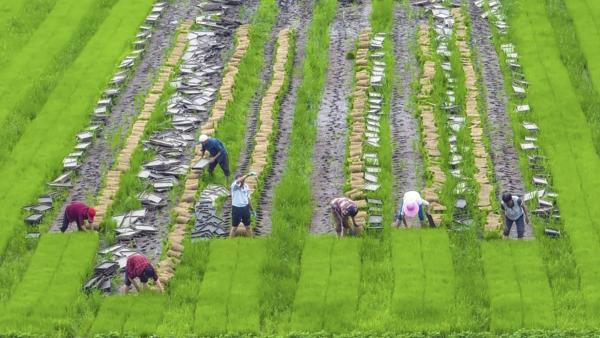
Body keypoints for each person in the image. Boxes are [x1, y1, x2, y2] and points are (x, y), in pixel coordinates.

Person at [230, 172, 256, 238]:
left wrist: (252, 210)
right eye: (240, 180)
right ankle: (229, 241)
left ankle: (251, 241)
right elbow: (238, 180)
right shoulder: (234, 186)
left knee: (248, 227)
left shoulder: (246, 186)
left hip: (245, 208)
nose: (241, 181)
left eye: (242, 180)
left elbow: (248, 199)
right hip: (236, 208)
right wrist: (248, 175)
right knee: (234, 228)